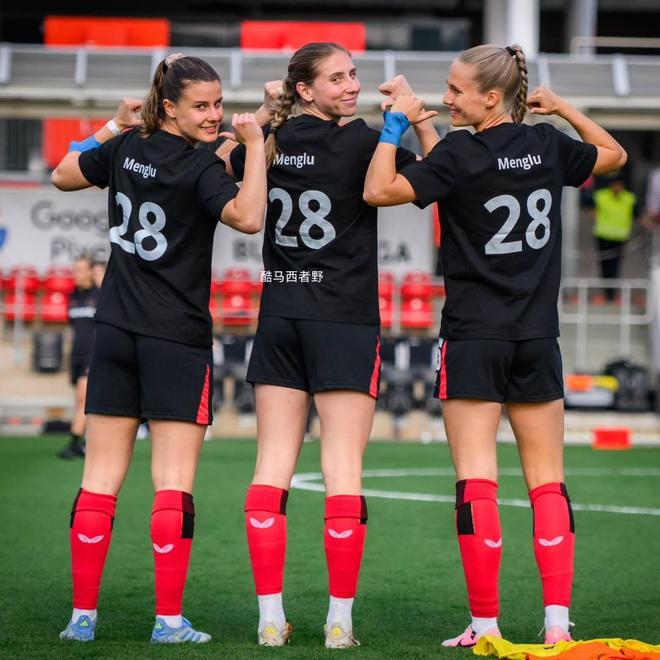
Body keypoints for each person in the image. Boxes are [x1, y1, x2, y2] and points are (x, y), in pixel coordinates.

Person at [363, 44, 626, 647]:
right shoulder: (546, 145)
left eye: (456, 90)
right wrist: (563, 108)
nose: (447, 98)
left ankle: (485, 626)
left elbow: (378, 190)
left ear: (490, 96)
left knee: (477, 482)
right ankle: (557, 625)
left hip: (472, 338)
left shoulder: (458, 153)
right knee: (548, 482)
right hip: (537, 337)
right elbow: (614, 154)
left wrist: (398, 122)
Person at [220, 42, 438, 648]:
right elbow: (442, 171)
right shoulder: (365, 141)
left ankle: (270, 618)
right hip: (344, 318)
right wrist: (415, 116)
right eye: (337, 78)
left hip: (280, 316)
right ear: (307, 89)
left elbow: (218, 158)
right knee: (343, 470)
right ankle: (339, 622)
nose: (351, 85)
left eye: (353, 74)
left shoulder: (271, 141)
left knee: (271, 468)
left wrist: (266, 114)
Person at [51, 53, 266, 644]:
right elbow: (249, 217)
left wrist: (112, 125)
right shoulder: (199, 166)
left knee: (99, 478)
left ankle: (82, 618)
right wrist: (254, 147)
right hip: (176, 337)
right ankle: (168, 621)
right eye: (201, 105)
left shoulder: (125, 146)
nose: (214, 115)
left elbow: (62, 174)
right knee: (172, 482)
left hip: (115, 330)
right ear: (169, 106)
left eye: (218, 104)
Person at [57, 255, 100, 459]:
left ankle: (74, 442)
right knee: (79, 400)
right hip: (76, 355)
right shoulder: (72, 296)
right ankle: (84, 442)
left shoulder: (100, 296)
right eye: (75, 270)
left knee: (83, 398)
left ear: (91, 272)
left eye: (82, 270)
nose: (77, 274)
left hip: (93, 355)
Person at [590, 173, 639, 302]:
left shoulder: (629, 198)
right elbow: (589, 206)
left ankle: (611, 294)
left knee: (615, 265)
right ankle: (607, 293)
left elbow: (637, 214)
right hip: (603, 236)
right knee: (604, 265)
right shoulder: (601, 196)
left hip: (620, 238)